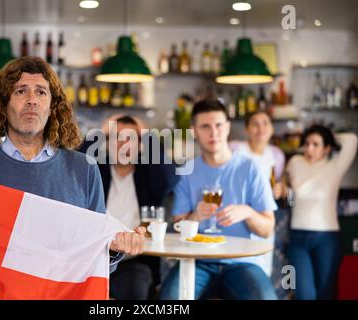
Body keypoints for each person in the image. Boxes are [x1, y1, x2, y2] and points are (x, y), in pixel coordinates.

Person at [0, 56, 145, 279]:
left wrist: (114, 248)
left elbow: (96, 263)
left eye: (41, 92)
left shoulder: (84, 169)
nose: (32, 100)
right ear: (3, 104)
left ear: (52, 107)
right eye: (21, 91)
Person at [159, 99, 278, 300]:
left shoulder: (251, 169)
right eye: (205, 126)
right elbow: (179, 226)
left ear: (228, 128)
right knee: (169, 299)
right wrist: (195, 216)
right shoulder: (186, 172)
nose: (213, 132)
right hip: (196, 261)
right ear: (194, 131)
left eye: (219, 125)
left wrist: (248, 212)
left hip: (243, 262)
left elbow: (267, 229)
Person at [79, 114, 179, 299]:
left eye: (131, 139)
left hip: (134, 260)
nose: (124, 144)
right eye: (117, 138)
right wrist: (100, 132)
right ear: (108, 143)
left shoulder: (149, 174)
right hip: (94, 258)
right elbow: (73, 166)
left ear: (140, 146)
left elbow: (170, 179)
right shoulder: (96, 170)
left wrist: (147, 134)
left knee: (135, 289)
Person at [282, 125, 358, 300]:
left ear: (327, 148)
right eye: (307, 143)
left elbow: (352, 140)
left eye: (316, 144)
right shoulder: (295, 162)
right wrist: (286, 192)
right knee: (303, 294)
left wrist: (328, 134)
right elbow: (292, 200)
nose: (309, 148)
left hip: (327, 239)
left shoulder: (335, 166)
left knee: (325, 294)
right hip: (297, 238)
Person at [230, 110, 286, 277]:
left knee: (261, 268)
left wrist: (280, 189)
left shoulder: (277, 155)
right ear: (247, 129)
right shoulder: (234, 149)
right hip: (236, 216)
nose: (261, 128)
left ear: (271, 128)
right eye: (255, 124)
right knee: (236, 265)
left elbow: (277, 184)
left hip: (263, 217)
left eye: (265, 123)